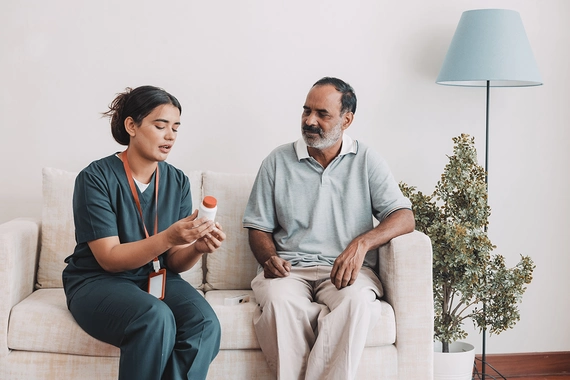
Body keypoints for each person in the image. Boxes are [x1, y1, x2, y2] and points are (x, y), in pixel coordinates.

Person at [242, 77, 415, 380]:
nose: (310, 121)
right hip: (290, 271)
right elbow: (257, 227)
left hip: (348, 273)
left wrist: (361, 244)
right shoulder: (277, 161)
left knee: (357, 303)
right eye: (306, 111)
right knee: (278, 303)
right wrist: (268, 257)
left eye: (322, 114)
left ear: (346, 120)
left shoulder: (366, 160)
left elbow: (403, 216)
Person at [62, 85, 225, 380]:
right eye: (160, 125)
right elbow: (109, 258)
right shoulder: (95, 178)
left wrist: (197, 247)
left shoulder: (177, 181)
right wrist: (169, 237)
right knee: (154, 317)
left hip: (152, 278)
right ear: (131, 126)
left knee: (204, 323)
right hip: (97, 281)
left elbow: (174, 261)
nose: (170, 135)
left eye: (176, 127)